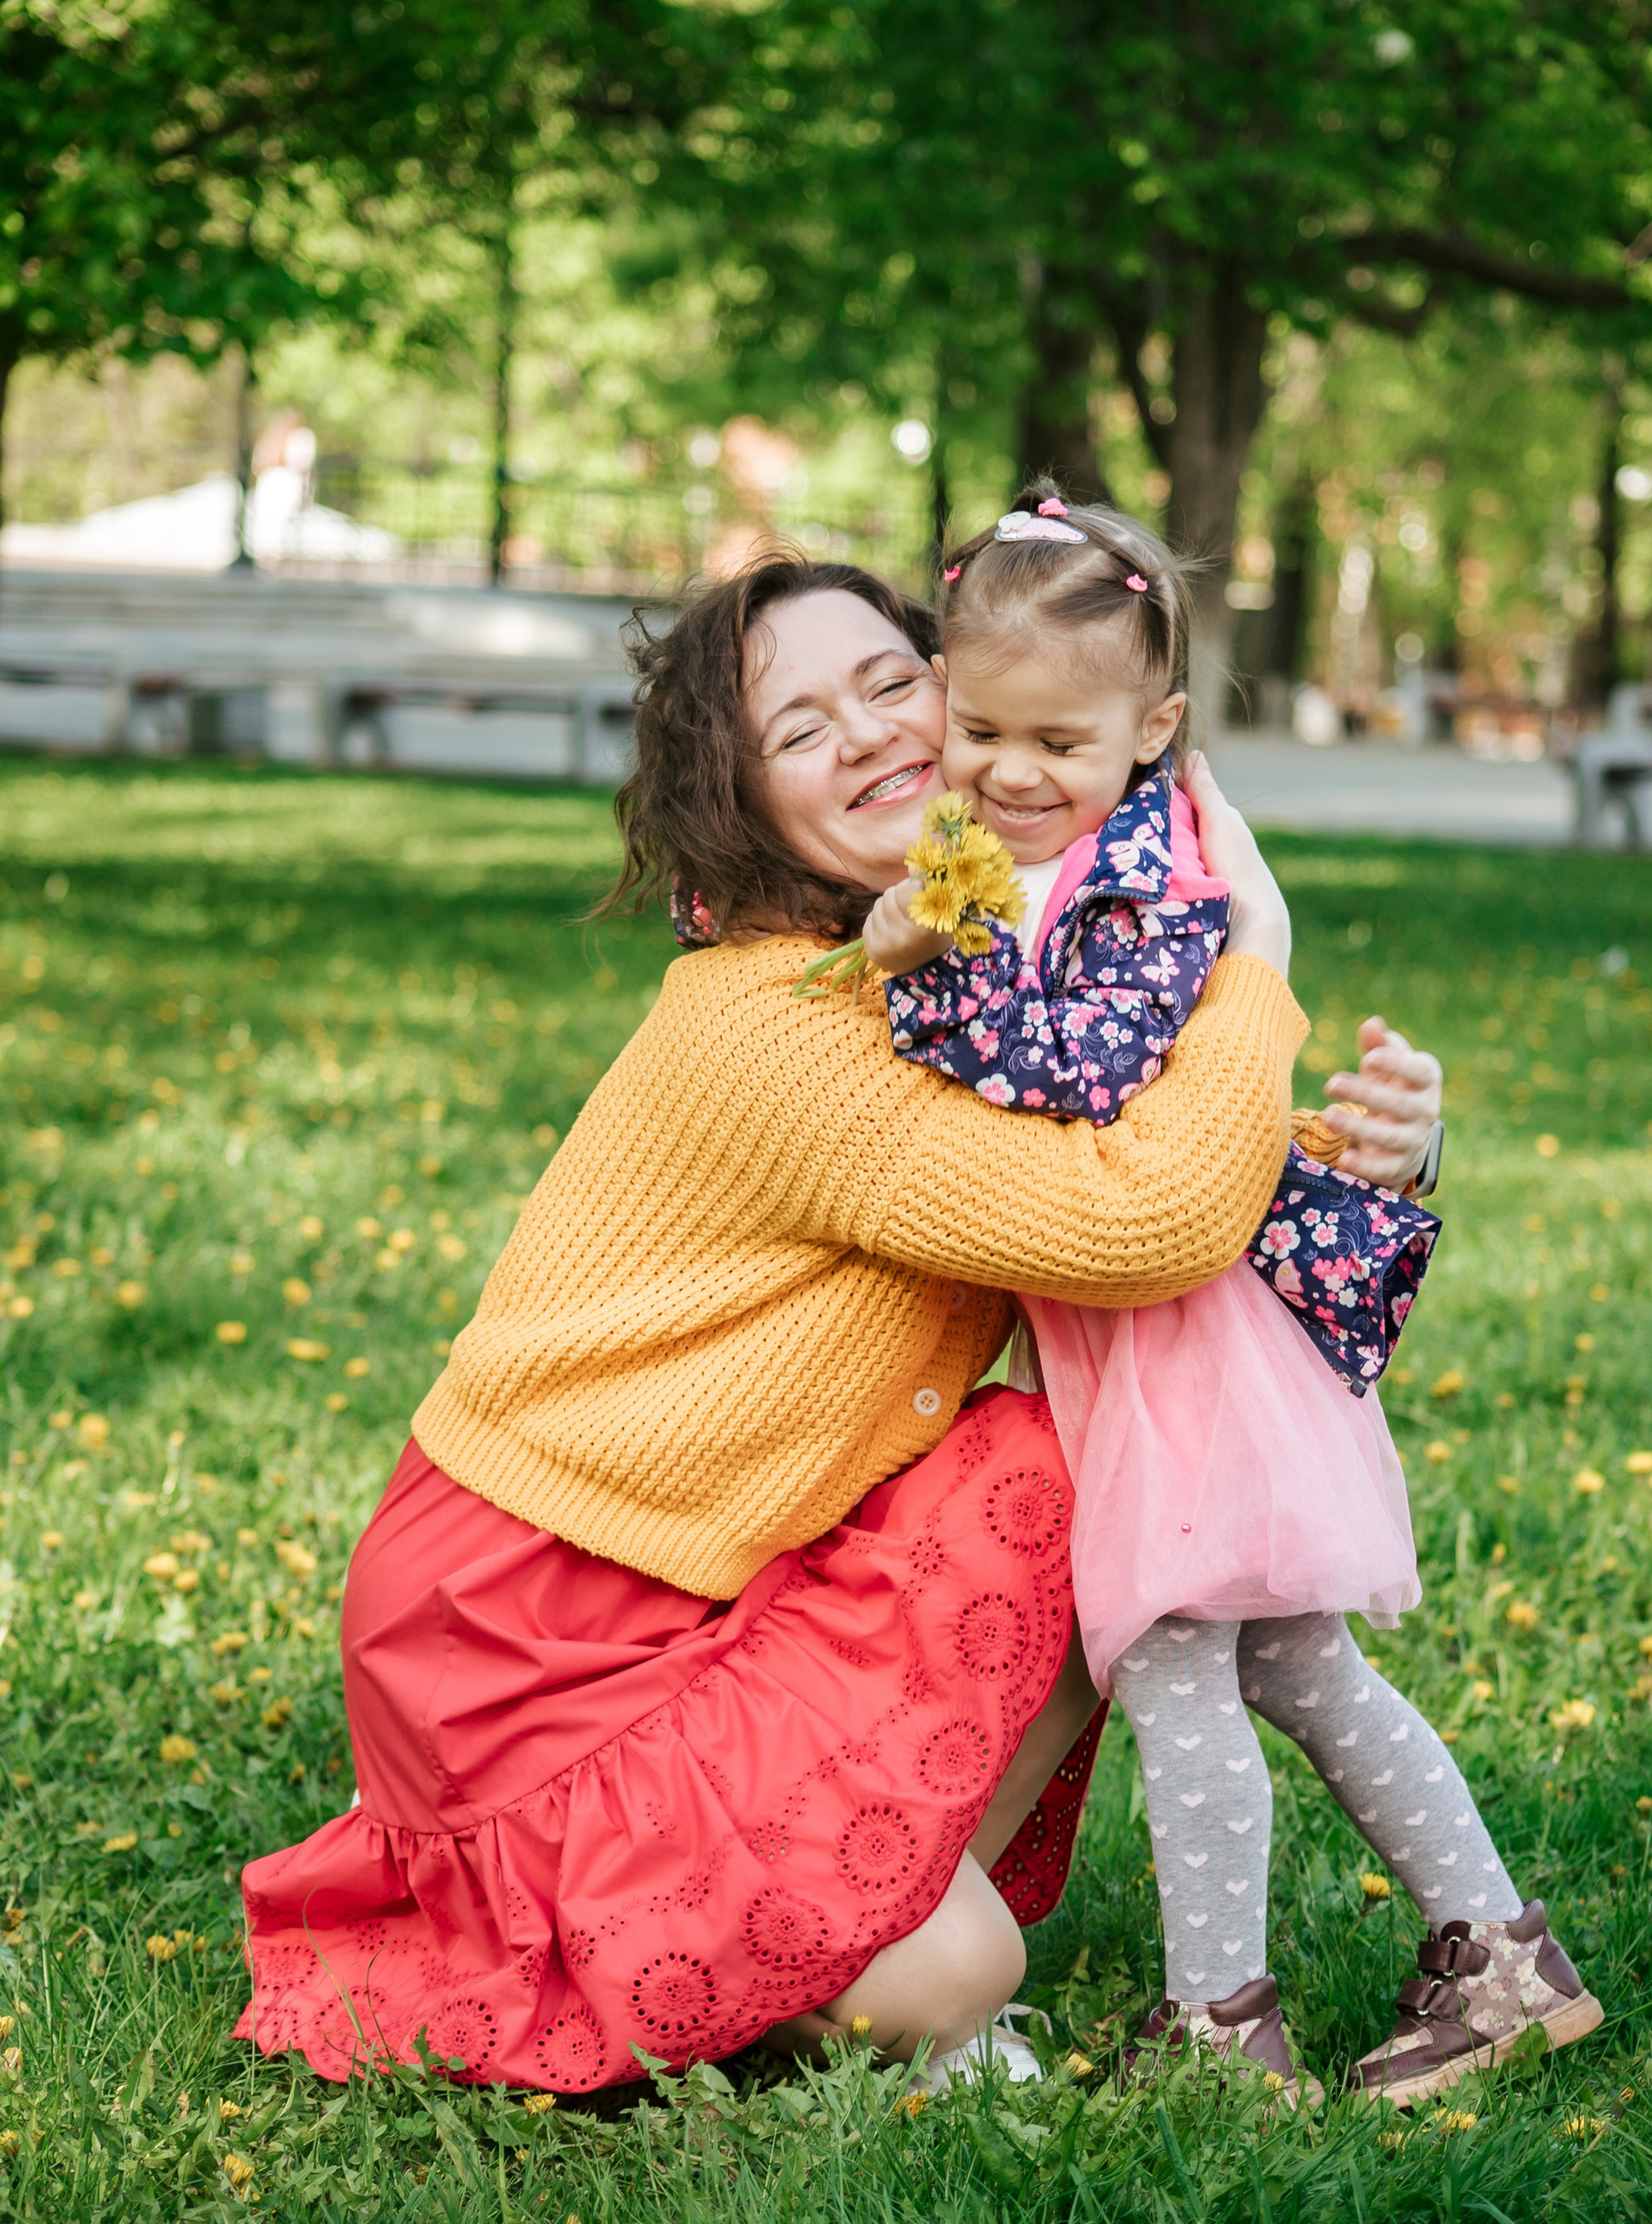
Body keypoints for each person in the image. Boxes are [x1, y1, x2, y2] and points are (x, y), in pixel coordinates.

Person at [232, 552, 1445, 2098]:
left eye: (893, 684)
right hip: (522, 1641)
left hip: (715, 1578)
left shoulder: (952, 974)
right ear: (736, 798)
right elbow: (1140, 1226)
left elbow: (1156, 1201)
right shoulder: (787, 1025)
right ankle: (840, 1948)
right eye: (801, 729)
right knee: (956, 1968)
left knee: (1074, 1462)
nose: (875, 738)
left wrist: (1368, 1158)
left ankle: (840, 1925)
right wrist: (1255, 962)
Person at [855, 490, 1600, 2108]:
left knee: (1180, 1668)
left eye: (1060, 735)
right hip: (1171, 1334)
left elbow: (1091, 1073)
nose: (1010, 769)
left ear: (1155, 730)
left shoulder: (1152, 876)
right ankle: (1501, 1959)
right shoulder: (1050, 859)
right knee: (1300, 1670)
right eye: (977, 726)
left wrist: (911, 975)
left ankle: (1220, 2031)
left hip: (1186, 1341)